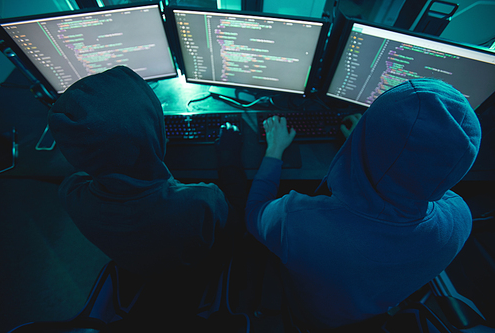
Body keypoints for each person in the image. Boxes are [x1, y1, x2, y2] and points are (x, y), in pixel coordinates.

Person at [246, 78, 482, 330]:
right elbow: (416, 172)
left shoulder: (297, 220)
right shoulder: (460, 219)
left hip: (309, 316)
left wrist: (274, 150)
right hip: (375, 313)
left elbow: (254, 213)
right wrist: (375, 145)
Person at [48, 66, 246, 327]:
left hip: (137, 268)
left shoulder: (70, 194)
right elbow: (236, 226)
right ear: (155, 133)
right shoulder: (200, 201)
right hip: (196, 271)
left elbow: (91, 168)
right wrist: (229, 161)